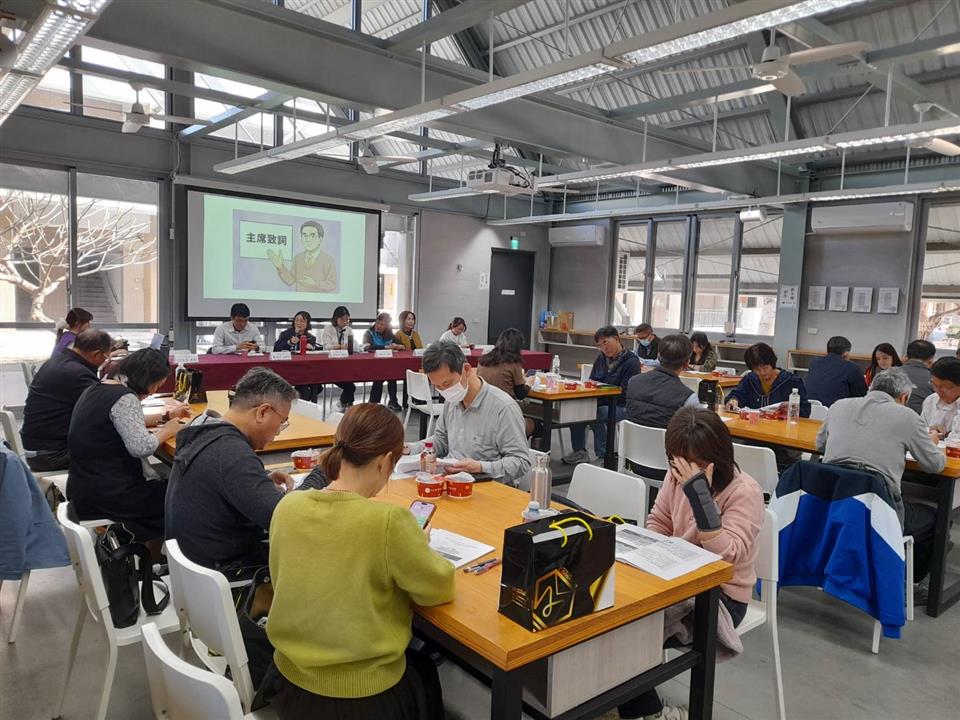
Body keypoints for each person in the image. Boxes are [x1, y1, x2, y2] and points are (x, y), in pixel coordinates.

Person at [267, 404, 454, 720]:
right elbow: (438, 588)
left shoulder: (288, 506)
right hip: (360, 696)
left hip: (287, 682)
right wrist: (419, 545)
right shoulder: (388, 521)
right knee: (424, 670)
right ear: (385, 462)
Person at [617, 407, 764, 720]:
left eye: (695, 463)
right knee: (612, 610)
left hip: (721, 594)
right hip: (675, 576)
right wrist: (651, 550)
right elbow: (659, 519)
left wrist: (700, 497)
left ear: (718, 457)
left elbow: (727, 556)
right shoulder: (677, 473)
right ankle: (613, 696)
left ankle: (650, 713)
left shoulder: (744, 492)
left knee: (629, 629)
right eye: (676, 462)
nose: (683, 470)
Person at [165, 368, 325, 570]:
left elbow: (223, 479)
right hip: (226, 571)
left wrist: (259, 479)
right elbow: (286, 519)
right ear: (262, 412)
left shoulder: (203, 429)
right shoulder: (231, 452)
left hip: (194, 563)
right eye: (282, 422)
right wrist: (322, 472)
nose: (278, 432)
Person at [816, 368, 944, 592]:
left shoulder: (838, 406)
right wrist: (931, 441)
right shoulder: (907, 417)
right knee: (935, 518)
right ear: (903, 397)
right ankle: (909, 584)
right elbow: (935, 465)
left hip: (833, 503)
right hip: (879, 509)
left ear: (871, 387)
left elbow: (820, 445)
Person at [67, 349, 191, 541]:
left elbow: (123, 421)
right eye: (157, 385)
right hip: (111, 495)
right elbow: (141, 447)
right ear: (146, 379)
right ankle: (143, 543)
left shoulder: (97, 388)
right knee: (188, 493)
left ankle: (144, 544)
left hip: (83, 487)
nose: (154, 391)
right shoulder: (125, 398)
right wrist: (168, 430)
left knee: (171, 486)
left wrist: (166, 416)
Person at [406, 342, 531, 485]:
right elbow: (442, 440)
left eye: (447, 384)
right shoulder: (452, 400)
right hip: (451, 482)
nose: (444, 391)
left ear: (466, 370)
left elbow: (520, 462)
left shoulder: (503, 408)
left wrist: (481, 467)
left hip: (486, 486)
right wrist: (411, 448)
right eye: (437, 387)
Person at [21, 329, 113, 473]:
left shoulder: (57, 362)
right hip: (52, 454)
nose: (105, 361)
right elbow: (109, 410)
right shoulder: (78, 373)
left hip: (37, 448)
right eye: (106, 357)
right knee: (120, 447)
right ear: (96, 354)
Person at [563, 326, 641, 465]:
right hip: (601, 401)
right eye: (600, 346)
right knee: (579, 410)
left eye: (605, 342)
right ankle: (579, 451)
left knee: (598, 413)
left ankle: (603, 456)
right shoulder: (601, 359)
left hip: (622, 405)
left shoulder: (631, 361)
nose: (604, 348)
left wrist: (603, 391)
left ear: (616, 339)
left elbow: (626, 392)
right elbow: (592, 380)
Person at [625, 334, 701, 429]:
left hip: (630, 438)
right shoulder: (688, 398)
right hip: (666, 438)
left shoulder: (633, 382)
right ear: (687, 364)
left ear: (658, 356)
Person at [724, 343, 810, 417]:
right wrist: (733, 400)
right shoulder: (750, 379)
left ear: (772, 363)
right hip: (753, 425)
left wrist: (792, 408)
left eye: (765, 367)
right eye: (757, 369)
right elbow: (736, 395)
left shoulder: (791, 381)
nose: (762, 372)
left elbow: (806, 411)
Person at [478, 327, 534, 436]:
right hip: (505, 417)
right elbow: (520, 394)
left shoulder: (483, 360)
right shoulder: (513, 362)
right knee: (538, 426)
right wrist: (529, 383)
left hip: (483, 415)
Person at [268, 220, 338, 292]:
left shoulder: (328, 260)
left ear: (320, 239)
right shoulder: (298, 258)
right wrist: (280, 267)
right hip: (299, 299)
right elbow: (290, 281)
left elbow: (332, 284)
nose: (308, 239)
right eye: (304, 235)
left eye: (312, 236)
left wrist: (315, 283)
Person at [804, 336, 868, 407]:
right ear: (846, 353)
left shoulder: (814, 362)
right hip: (836, 410)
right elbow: (863, 395)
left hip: (810, 409)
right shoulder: (851, 367)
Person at [274, 310, 320, 402]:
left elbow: (312, 354)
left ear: (307, 324)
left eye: (302, 321)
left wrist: (312, 348)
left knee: (314, 383)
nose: (299, 323)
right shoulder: (286, 334)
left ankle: (307, 405)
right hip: (287, 367)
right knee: (305, 386)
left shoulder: (311, 338)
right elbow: (276, 348)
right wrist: (289, 342)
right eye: (297, 320)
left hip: (304, 369)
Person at [362, 312, 404, 411]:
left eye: (382, 325)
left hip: (387, 364)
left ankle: (393, 401)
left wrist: (399, 346)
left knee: (392, 376)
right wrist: (386, 347)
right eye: (378, 323)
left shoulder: (389, 334)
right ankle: (373, 403)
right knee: (379, 376)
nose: (379, 326)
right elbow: (368, 346)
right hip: (373, 364)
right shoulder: (368, 333)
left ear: (387, 326)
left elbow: (400, 344)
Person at [320, 306, 356, 410]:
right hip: (331, 365)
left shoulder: (348, 330)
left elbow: (353, 345)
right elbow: (326, 346)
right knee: (350, 386)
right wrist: (339, 346)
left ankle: (346, 403)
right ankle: (346, 404)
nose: (345, 322)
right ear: (336, 318)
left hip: (345, 365)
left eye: (347, 319)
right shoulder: (328, 329)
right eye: (342, 319)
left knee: (351, 384)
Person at [923, 357, 960, 441]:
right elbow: (919, 431)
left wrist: (948, 436)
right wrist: (929, 430)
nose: (939, 391)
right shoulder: (931, 400)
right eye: (935, 385)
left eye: (946, 387)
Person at [901, 339, 937, 414]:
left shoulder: (887, 373)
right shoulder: (935, 380)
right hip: (920, 419)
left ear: (907, 356)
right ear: (931, 359)